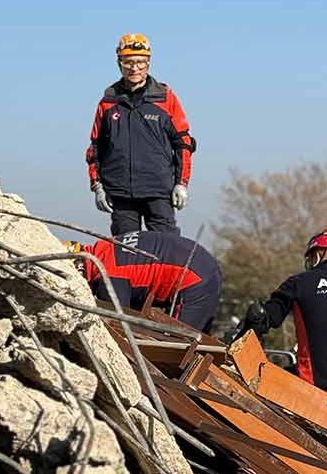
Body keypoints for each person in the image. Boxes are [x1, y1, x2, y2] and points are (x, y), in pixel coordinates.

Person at [239, 227, 327, 410]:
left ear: (319, 253)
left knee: (268, 387)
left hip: (326, 390)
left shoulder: (299, 283)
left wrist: (241, 338)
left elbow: (262, 317)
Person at [85, 33, 197, 235]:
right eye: (128, 62)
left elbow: (183, 143)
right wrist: (97, 186)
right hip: (120, 194)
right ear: (119, 63)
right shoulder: (108, 102)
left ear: (148, 63)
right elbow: (95, 148)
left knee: (166, 250)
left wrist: (181, 184)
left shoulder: (165, 98)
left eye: (140, 62)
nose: (134, 68)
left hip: (159, 191)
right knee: (126, 254)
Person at [69, 230, 220, 333]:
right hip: (202, 262)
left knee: (179, 350)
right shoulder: (107, 246)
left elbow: (119, 328)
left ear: (79, 266)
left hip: (194, 280)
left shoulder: (109, 276)